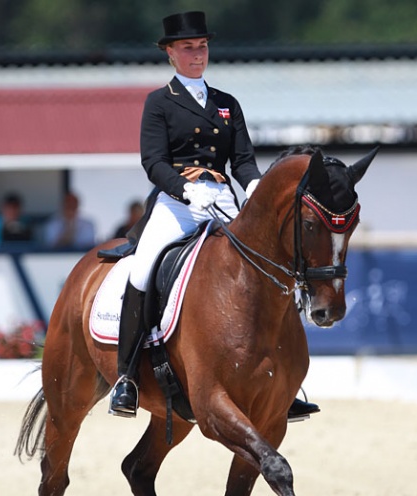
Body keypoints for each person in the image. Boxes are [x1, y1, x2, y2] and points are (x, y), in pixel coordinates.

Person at [108, 11, 318, 423]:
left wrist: (256, 188)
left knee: (273, 266)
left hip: (223, 198)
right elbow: (153, 161)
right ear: (170, 53)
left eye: (202, 46)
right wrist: (185, 189)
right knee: (143, 269)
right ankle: (127, 377)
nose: (197, 54)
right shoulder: (159, 102)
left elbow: (242, 160)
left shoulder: (226, 103)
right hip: (177, 200)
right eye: (188, 47)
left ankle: (285, 381)